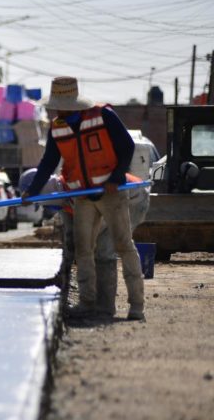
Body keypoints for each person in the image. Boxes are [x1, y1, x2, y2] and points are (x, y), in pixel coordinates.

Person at [21, 76, 146, 320]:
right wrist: (32, 192)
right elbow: (48, 162)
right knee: (83, 250)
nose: (57, 110)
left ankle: (137, 306)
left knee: (123, 245)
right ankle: (88, 304)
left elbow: (127, 147)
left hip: (112, 194)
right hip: (82, 197)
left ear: (74, 104)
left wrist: (115, 177)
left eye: (61, 105)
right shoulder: (57, 127)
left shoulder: (104, 116)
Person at [19, 169, 150, 317]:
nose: (47, 209)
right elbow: (70, 236)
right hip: (107, 195)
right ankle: (95, 304)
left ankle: (108, 307)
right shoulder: (63, 196)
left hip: (133, 196)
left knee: (104, 249)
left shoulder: (72, 190)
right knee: (89, 246)